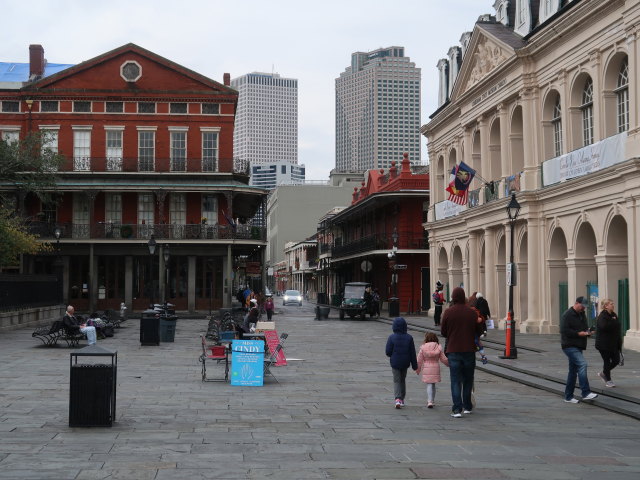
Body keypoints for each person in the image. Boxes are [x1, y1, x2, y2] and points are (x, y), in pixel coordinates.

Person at [440, 287, 483, 417]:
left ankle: (457, 409)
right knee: (468, 379)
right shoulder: (471, 313)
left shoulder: (448, 312)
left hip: (453, 350)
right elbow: (479, 331)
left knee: (455, 380)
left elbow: (443, 332)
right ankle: (467, 406)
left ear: (453, 297)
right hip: (469, 350)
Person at [560, 296, 598, 403]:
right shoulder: (567, 314)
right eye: (582, 306)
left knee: (573, 372)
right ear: (576, 303)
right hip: (569, 345)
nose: (583, 309)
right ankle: (585, 392)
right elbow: (564, 330)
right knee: (582, 364)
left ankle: (568, 397)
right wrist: (578, 333)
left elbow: (584, 328)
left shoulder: (582, 314)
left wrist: (589, 331)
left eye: (585, 307)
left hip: (578, 345)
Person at [385, 317, 418, 409]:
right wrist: (415, 365)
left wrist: (392, 354)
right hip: (405, 362)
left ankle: (398, 399)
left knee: (396, 380)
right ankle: (402, 399)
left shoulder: (391, 337)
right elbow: (412, 352)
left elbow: (388, 351)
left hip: (395, 362)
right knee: (402, 380)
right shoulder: (409, 338)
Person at [416, 332, 449, 408]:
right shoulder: (438, 347)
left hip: (427, 367)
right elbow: (444, 359)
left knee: (429, 384)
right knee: (433, 384)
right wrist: (449, 364)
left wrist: (417, 369)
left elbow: (419, 360)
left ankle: (430, 401)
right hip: (435, 366)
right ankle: (432, 400)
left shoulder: (423, 348)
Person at [595, 298, 622, 388]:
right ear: (606, 306)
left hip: (613, 343)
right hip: (603, 344)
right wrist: (613, 321)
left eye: (613, 303)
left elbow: (617, 327)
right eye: (611, 304)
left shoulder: (614, 314)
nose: (613, 305)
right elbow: (604, 327)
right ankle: (608, 380)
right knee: (606, 361)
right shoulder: (602, 316)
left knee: (616, 360)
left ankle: (603, 373)